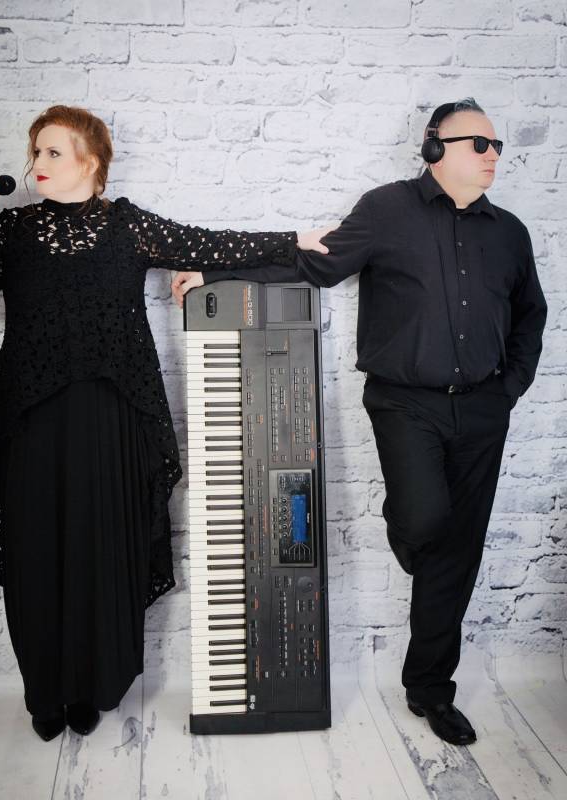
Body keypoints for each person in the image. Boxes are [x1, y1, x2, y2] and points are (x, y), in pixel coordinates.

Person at [0, 104, 335, 742]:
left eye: (52, 152)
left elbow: (209, 242)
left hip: (111, 416)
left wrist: (293, 240)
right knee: (36, 553)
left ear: (91, 160)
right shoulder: (13, 229)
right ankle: (45, 692)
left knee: (102, 548)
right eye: (35, 152)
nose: (36, 164)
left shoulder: (127, 225)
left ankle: (92, 685)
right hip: (32, 417)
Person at [171, 98, 548, 746]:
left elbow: (530, 316)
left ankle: (430, 690)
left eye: (497, 146)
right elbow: (314, 265)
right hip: (405, 403)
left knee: (458, 556)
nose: (492, 156)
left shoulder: (509, 232)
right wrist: (214, 271)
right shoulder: (386, 210)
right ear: (435, 147)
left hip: (483, 409)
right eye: (479, 144)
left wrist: (508, 390)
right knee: (425, 523)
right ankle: (415, 535)